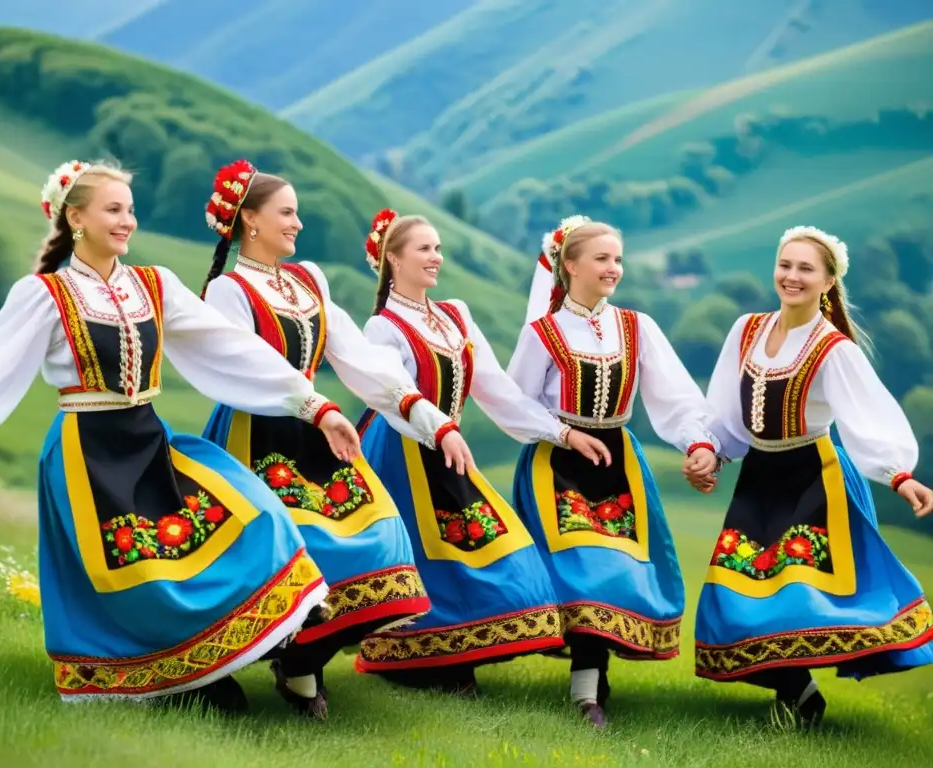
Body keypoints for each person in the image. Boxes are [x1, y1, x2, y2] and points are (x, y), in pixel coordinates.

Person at [0, 159, 366, 713]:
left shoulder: (155, 285)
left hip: (148, 439)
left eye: (129, 209)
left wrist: (315, 407)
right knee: (138, 567)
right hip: (88, 454)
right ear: (75, 217)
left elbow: (231, 347)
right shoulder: (45, 295)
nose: (127, 221)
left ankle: (237, 654)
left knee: (255, 515)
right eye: (113, 210)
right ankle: (158, 678)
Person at [198, 161, 473, 719]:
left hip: (319, 432)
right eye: (287, 212)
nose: (298, 223)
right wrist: (313, 405)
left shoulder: (309, 280)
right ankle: (256, 669)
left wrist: (430, 418)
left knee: (380, 547)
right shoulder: (228, 291)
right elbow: (241, 367)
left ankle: (301, 659)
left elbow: (357, 357)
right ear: (249, 219)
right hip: (256, 434)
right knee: (291, 552)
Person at [353, 208, 610, 695]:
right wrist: (439, 427)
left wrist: (560, 432)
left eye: (438, 248)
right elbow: (393, 396)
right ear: (392, 259)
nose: (437, 257)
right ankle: (421, 662)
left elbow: (496, 389)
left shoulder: (455, 315)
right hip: (402, 452)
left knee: (495, 547)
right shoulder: (381, 328)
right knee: (426, 560)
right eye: (425, 249)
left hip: (450, 450)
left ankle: (452, 656)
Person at [690, 225, 933, 728]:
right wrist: (712, 452)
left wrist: (898, 475)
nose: (791, 276)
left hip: (814, 480)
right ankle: (800, 691)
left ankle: (799, 700)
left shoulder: (832, 348)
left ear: (827, 282)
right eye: (785, 265)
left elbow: (867, 415)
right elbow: (725, 407)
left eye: (805, 269)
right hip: (760, 477)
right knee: (734, 589)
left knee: (795, 589)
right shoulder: (746, 330)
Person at [507, 216, 720, 727]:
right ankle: (586, 691)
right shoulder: (543, 333)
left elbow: (674, 395)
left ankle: (592, 677)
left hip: (619, 462)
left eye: (618, 259)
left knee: (617, 568)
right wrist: (561, 432)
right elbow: (513, 402)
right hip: (556, 464)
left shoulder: (636, 326)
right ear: (571, 265)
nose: (613, 268)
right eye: (602, 258)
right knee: (585, 566)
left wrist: (698, 443)